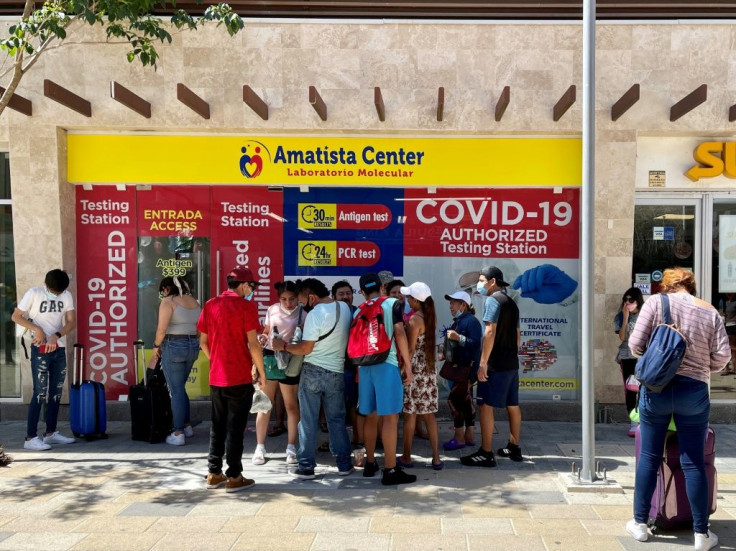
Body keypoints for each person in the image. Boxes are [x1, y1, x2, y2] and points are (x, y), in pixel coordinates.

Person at [626, 268, 730, 550]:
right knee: (693, 461)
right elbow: (722, 357)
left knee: (649, 456)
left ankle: (640, 524)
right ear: (691, 286)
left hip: (657, 390)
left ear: (667, 285)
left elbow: (635, 345)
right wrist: (699, 366)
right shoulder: (709, 311)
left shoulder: (656, 303)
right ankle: (701, 534)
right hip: (693, 391)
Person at [272, 278, 353, 479]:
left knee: (308, 420)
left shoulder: (315, 314)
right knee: (336, 419)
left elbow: (305, 348)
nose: (301, 305)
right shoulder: (343, 307)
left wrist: (281, 345)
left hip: (313, 372)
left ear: (311, 297)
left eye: (301, 301)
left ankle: (306, 466)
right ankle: (344, 464)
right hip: (337, 371)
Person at [197, 266, 265, 493]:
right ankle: (234, 476)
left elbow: (203, 342)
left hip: (217, 375)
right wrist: (261, 371)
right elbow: (254, 343)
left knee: (217, 425)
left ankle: (213, 473)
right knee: (236, 427)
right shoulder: (246, 307)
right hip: (238, 375)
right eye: (252, 286)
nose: (252, 290)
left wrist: (216, 359)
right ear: (244, 285)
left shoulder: (210, 304)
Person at [355, 272, 416, 485]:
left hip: (364, 367)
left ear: (362, 292)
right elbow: (399, 332)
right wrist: (407, 365)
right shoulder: (392, 303)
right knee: (390, 418)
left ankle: (370, 463)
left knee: (370, 416)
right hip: (387, 365)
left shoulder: (358, 310)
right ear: (382, 287)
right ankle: (390, 470)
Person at [462, 266, 522, 467]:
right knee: (512, 405)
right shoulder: (512, 303)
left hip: (495, 364)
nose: (479, 283)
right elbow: (517, 336)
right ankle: (514, 447)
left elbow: (489, 331)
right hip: (511, 363)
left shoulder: (492, 300)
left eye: (481, 280)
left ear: (492, 281)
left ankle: (486, 452)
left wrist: (483, 364)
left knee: (485, 406)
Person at [12, 269, 77, 451]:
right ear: (45, 285)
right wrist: (37, 328)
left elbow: (71, 321)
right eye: (53, 292)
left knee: (56, 392)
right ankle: (30, 437)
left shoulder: (66, 295)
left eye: (59, 293)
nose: (56, 296)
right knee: (40, 392)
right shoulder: (34, 293)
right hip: (39, 348)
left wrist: (57, 335)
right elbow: (16, 316)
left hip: (58, 347)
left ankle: (51, 433)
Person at [253, 280, 302, 465]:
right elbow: (266, 331)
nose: (288, 303)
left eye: (292, 299)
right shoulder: (272, 309)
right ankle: (259, 447)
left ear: (298, 297)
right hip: (270, 357)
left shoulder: (303, 312)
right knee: (265, 403)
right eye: (284, 299)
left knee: (291, 405)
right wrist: (262, 337)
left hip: (291, 359)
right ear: (278, 298)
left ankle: (291, 447)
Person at [397, 282, 442, 470]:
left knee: (410, 415)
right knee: (429, 415)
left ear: (416, 300)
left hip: (415, 372)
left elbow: (410, 348)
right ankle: (436, 457)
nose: (407, 300)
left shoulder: (415, 320)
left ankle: (406, 456)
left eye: (409, 298)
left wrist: (402, 368)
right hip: (429, 371)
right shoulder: (431, 316)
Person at [152, 276, 201, 446]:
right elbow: (201, 328)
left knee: (176, 389)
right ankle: (187, 426)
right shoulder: (194, 301)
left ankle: (178, 432)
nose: (162, 294)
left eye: (162, 290)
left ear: (166, 288)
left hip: (173, 345)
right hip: (193, 346)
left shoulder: (168, 301)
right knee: (181, 387)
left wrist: (156, 345)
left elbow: (161, 329)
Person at [442, 291, 483, 450]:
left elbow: (475, 345)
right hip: (459, 368)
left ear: (463, 305)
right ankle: (469, 436)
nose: (450, 306)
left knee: (454, 402)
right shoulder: (459, 321)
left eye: (453, 303)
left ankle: (459, 438)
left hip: (465, 370)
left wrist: (459, 338)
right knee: (466, 402)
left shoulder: (471, 321)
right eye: (450, 303)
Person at [332, 280, 363, 450]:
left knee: (353, 405)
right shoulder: (329, 314)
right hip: (332, 366)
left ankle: (358, 438)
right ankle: (337, 442)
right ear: (334, 297)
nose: (345, 297)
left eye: (348, 293)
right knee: (334, 407)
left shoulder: (358, 313)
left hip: (353, 367)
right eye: (341, 294)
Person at [613, 287, 644, 437]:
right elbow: (622, 337)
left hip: (644, 357)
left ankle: (644, 420)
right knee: (631, 389)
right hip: (627, 356)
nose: (628, 303)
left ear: (638, 300)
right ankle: (633, 421)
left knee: (645, 389)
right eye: (625, 300)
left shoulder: (646, 315)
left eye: (631, 300)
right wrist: (625, 317)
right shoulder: (620, 316)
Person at [718, 292, 736, 374]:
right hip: (726, 325)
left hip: (733, 326)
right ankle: (728, 368)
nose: (728, 294)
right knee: (728, 347)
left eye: (731, 293)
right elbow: (721, 313)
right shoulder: (723, 302)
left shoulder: (735, 302)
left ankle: (730, 368)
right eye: (727, 293)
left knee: (731, 347)